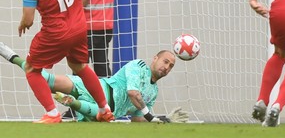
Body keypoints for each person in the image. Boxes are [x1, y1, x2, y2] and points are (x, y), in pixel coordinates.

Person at [18, 0, 114, 123]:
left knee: (31, 69)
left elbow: (28, 20)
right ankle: (104, 109)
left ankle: (52, 113)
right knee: (80, 66)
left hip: (55, 32)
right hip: (79, 28)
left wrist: (21, 23)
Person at [0, 42, 188, 123]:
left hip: (104, 114)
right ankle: (12, 56)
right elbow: (133, 93)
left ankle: (70, 102)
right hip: (99, 90)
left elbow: (137, 119)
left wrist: (163, 119)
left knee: (91, 113)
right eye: (165, 61)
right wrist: (151, 116)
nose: (167, 67)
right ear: (155, 59)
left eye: (171, 66)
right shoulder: (138, 65)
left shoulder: (153, 93)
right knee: (46, 80)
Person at [62, 0, 115, 120]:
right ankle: (109, 106)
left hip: (91, 25)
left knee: (78, 68)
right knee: (101, 68)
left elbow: (82, 0)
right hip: (107, 24)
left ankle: (75, 109)